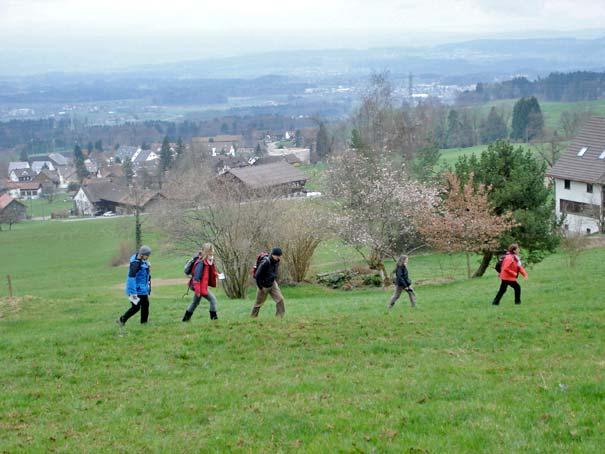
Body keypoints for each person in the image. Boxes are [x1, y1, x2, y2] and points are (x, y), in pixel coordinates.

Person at [182, 243, 220, 321]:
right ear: (208, 251)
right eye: (212, 250)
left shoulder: (208, 261)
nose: (213, 252)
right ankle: (214, 320)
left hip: (201, 286)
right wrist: (198, 291)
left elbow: (208, 272)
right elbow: (196, 278)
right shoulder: (201, 263)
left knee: (195, 303)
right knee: (213, 300)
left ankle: (185, 319)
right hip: (199, 287)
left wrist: (216, 274)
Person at [117, 245, 152, 326]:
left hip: (142, 289)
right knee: (136, 307)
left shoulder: (141, 261)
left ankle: (144, 323)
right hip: (135, 290)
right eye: (147, 255)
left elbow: (143, 275)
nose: (148, 257)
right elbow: (131, 278)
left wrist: (148, 267)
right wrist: (133, 293)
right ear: (142, 254)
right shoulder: (135, 264)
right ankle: (121, 320)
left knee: (145, 305)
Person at [251, 247, 285, 318]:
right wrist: (260, 287)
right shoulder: (265, 262)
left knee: (280, 300)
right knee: (258, 304)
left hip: (272, 284)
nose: (279, 257)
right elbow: (257, 275)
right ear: (273, 255)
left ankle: (279, 318)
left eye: (279, 256)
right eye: (277, 256)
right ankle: (253, 318)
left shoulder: (277, 261)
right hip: (263, 286)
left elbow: (273, 272)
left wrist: (273, 279)